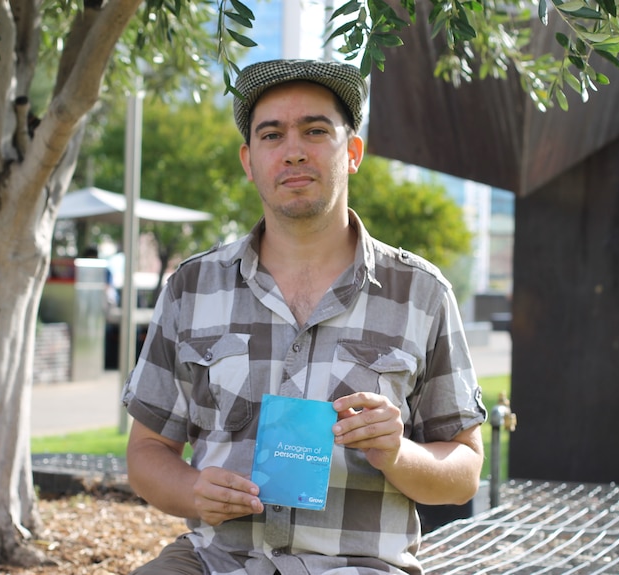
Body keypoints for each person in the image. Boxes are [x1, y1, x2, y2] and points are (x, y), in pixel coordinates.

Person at [122, 59, 487, 575]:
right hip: (216, 560)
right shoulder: (191, 287)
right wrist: (191, 489)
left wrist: (397, 452)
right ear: (249, 161)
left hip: (357, 566)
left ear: (353, 152)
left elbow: (465, 470)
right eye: (272, 135)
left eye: (315, 130)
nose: (293, 150)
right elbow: (146, 451)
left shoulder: (421, 294)